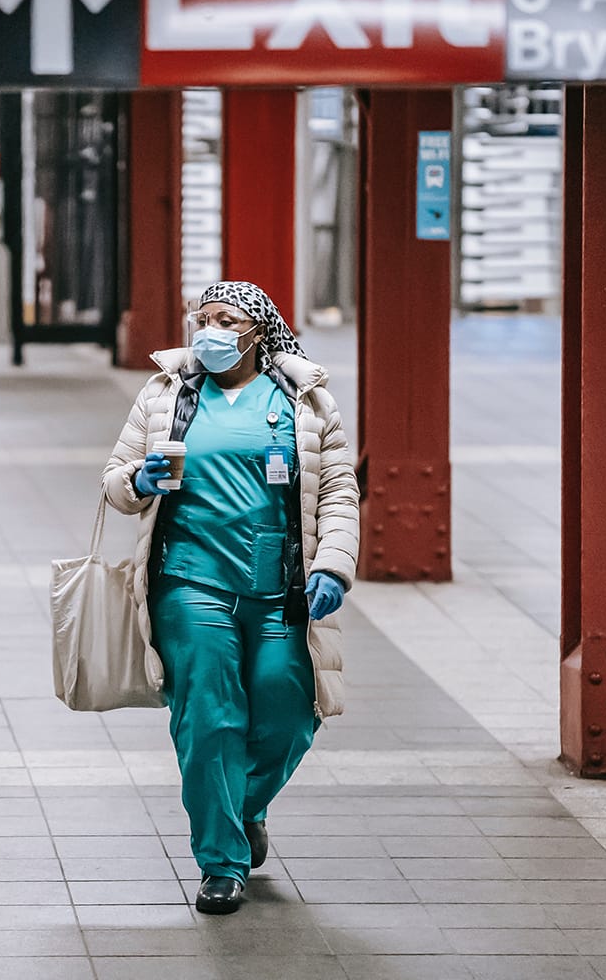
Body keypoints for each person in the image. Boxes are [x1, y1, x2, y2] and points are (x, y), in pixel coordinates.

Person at [102, 281, 359, 915]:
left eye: (227, 320)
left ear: (258, 330)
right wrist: (139, 480)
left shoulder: (306, 401)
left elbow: (338, 494)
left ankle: (241, 807)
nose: (211, 330)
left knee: (289, 708)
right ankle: (222, 862)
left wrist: (333, 564)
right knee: (209, 717)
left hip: (279, 586)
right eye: (203, 318)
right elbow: (115, 480)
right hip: (191, 583)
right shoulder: (168, 395)